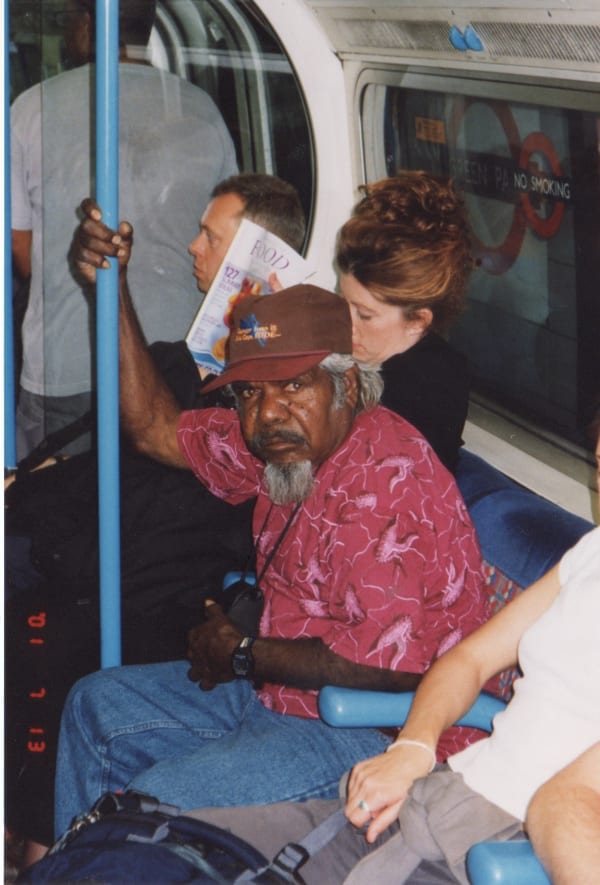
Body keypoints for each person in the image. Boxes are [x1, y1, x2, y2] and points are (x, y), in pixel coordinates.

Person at [52, 203, 489, 836]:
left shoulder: (385, 479)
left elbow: (395, 665)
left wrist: (245, 654)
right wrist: (110, 287)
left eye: (292, 386)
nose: (267, 413)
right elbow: (153, 428)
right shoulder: (284, 443)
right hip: (277, 696)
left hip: (368, 726)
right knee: (96, 705)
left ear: (348, 386)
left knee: (149, 804)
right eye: (250, 392)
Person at [4, 172, 307, 865]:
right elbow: (107, 444)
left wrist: (112, 288)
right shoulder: (182, 362)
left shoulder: (270, 402)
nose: (195, 247)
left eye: (212, 235)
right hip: (99, 544)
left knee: (55, 644)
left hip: (166, 584)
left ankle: (42, 843)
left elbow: (154, 434)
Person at [185, 409, 600, 885]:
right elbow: (470, 658)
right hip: (439, 798)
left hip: (502, 852)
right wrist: (415, 748)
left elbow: (566, 807)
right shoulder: (592, 554)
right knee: (177, 848)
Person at [10, 0, 237, 458]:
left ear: (90, 25)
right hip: (179, 362)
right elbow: (231, 236)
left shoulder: (31, 108)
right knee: (158, 512)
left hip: (71, 361)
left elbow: (21, 254)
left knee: (58, 509)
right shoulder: (200, 108)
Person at [336, 172, 472, 473]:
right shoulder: (381, 351)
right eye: (341, 300)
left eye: (364, 314)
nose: (345, 323)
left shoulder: (424, 391)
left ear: (418, 321)